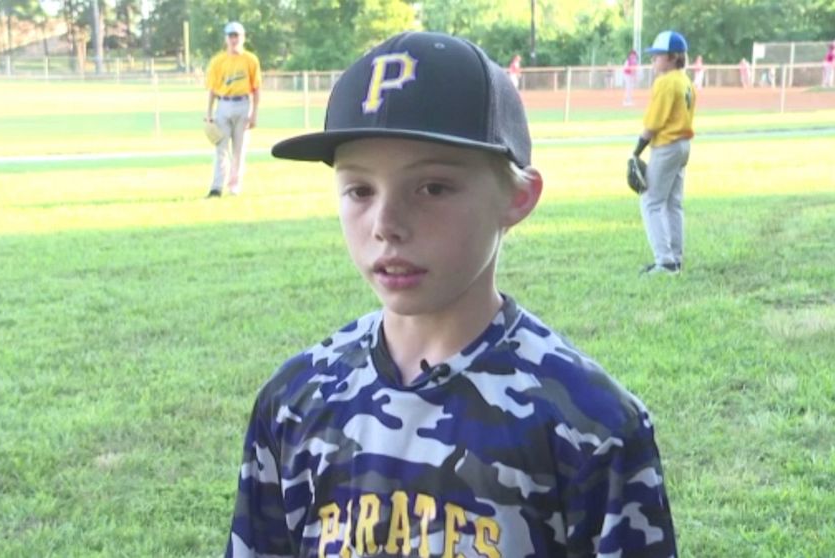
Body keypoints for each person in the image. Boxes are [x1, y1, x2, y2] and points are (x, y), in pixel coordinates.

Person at [226, 31, 677, 557]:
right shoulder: (294, 403)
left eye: (432, 187)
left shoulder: (591, 425)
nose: (386, 224)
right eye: (360, 190)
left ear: (518, 197)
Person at [633, 30, 696, 276]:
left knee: (651, 201)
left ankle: (665, 262)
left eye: (657, 56)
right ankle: (675, 259)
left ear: (671, 57)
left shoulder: (666, 82)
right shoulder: (685, 80)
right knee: (673, 203)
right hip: (683, 146)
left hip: (667, 146)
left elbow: (654, 122)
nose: (653, 60)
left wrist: (636, 151)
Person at [204, 21, 262, 197]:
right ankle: (216, 187)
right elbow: (212, 90)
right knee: (220, 147)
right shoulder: (218, 61)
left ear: (242, 38)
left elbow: (256, 88)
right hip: (223, 104)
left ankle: (234, 186)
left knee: (239, 149)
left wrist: (254, 114)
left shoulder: (250, 60)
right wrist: (208, 113)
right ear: (226, 39)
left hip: (243, 104)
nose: (234, 39)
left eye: (236, 35)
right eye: (230, 36)